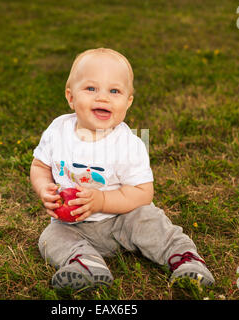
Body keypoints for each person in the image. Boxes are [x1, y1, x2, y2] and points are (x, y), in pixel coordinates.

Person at [30, 48, 214, 290]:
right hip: (73, 225)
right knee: (49, 238)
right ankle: (85, 263)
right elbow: (40, 166)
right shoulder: (58, 131)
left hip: (122, 219)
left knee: (149, 220)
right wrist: (45, 189)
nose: (103, 98)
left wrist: (102, 201)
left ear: (128, 102)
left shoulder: (128, 144)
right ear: (70, 96)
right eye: (91, 89)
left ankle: (185, 260)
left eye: (114, 91)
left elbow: (142, 192)